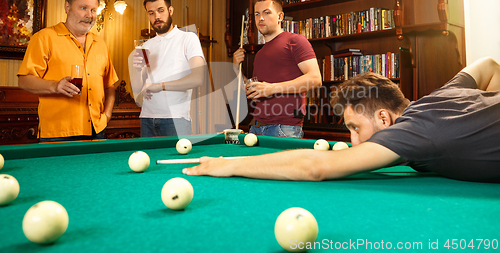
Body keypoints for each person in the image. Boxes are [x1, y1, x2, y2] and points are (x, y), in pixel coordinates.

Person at [183, 57, 500, 183]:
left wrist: (230, 165)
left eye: (355, 128)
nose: (354, 141)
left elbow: (316, 167)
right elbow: (488, 66)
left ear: (383, 117)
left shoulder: (414, 130)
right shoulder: (438, 98)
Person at [17, 0, 119, 142]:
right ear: (67, 7)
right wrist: (55, 86)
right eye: (83, 8)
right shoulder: (44, 38)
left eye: (93, 10)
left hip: (97, 131)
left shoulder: (101, 44)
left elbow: (109, 85)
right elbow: (24, 80)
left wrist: (107, 115)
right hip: (57, 133)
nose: (89, 15)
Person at [232, 0, 322, 138]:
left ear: (280, 16)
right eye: (256, 14)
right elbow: (253, 90)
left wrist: (272, 88)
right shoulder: (260, 54)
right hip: (256, 127)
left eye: (267, 13)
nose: (261, 18)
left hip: (284, 129)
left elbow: (315, 79)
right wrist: (236, 68)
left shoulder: (295, 41)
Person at [130, 0, 205, 137]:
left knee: (179, 161)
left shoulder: (188, 38)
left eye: (160, 10)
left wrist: (159, 86)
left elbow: (198, 78)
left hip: (176, 119)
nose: (156, 17)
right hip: (146, 118)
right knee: (147, 160)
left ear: (170, 10)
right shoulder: (146, 45)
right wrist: (138, 71)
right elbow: (138, 88)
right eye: (151, 13)